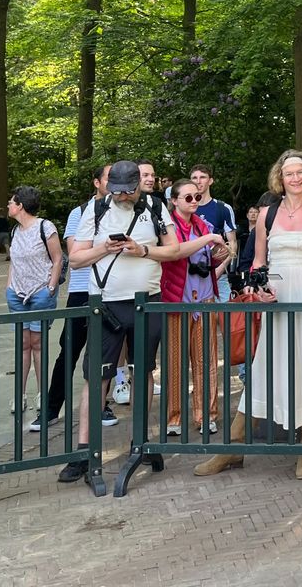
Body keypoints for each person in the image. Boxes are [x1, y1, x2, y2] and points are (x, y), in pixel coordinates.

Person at [194, 150, 302, 481]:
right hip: (277, 298)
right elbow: (258, 262)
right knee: (265, 367)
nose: (295, 177)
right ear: (280, 177)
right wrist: (259, 288)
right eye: (289, 173)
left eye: (300, 171)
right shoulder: (268, 213)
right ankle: (233, 446)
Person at [58, 160, 195, 484]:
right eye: (115, 191)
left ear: (137, 186)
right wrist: (104, 248)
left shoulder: (155, 207)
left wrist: (142, 250)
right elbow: (75, 259)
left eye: (126, 191)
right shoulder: (96, 209)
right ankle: (84, 451)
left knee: (142, 372)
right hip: (104, 305)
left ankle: (140, 442)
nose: (120, 196)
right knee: (96, 376)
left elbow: (174, 250)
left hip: (147, 302)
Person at [40, 164, 109, 432]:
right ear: (96, 182)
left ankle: (101, 404)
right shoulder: (79, 212)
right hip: (82, 291)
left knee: (106, 352)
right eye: (109, 178)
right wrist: (106, 247)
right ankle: (51, 408)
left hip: (110, 290)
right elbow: (76, 255)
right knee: (68, 350)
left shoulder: (125, 212)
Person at [161, 178, 231, 436]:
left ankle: (207, 416)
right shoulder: (168, 228)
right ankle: (174, 418)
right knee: (175, 362)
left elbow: (214, 257)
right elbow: (177, 252)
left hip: (205, 298)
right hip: (177, 300)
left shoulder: (204, 225)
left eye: (197, 197)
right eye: (188, 197)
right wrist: (209, 239)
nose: (194, 201)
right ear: (174, 200)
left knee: (207, 361)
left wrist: (221, 254)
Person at [5, 186, 64, 421]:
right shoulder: (14, 230)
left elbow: (58, 259)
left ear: (20, 205)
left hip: (40, 292)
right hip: (17, 294)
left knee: (37, 344)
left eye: (11, 202)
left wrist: (51, 287)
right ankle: (19, 394)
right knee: (22, 344)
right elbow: (14, 262)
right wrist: (9, 287)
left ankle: (42, 394)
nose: (8, 205)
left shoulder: (45, 227)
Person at [189, 165, 238, 303]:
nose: (198, 181)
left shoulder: (223, 208)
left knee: (225, 314)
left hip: (218, 274)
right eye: (194, 178)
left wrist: (221, 268)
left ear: (210, 181)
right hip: (190, 275)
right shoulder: (185, 208)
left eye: (202, 177)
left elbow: (233, 243)